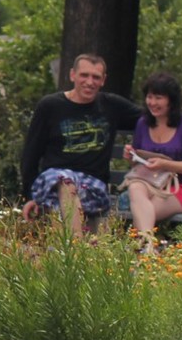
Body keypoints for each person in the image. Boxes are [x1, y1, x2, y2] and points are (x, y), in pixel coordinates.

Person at [19, 53, 140, 234]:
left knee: (61, 197)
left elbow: (152, 118)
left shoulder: (111, 106)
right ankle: (76, 248)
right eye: (84, 75)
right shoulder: (50, 106)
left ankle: (69, 252)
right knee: (64, 182)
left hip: (92, 188)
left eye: (96, 77)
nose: (89, 82)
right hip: (53, 183)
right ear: (72, 75)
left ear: (103, 80)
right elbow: (30, 154)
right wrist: (29, 196)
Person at [123, 71, 182, 239]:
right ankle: (149, 251)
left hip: (180, 187)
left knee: (143, 213)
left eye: (159, 98)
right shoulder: (143, 123)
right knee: (135, 187)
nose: (152, 103)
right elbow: (139, 164)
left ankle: (145, 249)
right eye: (150, 97)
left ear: (171, 100)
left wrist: (165, 164)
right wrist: (131, 156)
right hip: (149, 182)